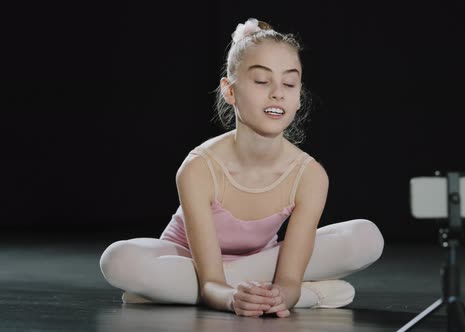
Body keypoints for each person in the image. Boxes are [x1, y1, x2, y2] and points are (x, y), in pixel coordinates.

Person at [99, 18, 384, 318]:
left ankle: (171, 294)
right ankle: (312, 296)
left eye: (289, 83)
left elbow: (287, 280)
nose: (277, 92)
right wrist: (230, 296)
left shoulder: (309, 175)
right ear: (229, 91)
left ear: (299, 96)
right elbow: (210, 281)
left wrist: (285, 294)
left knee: (367, 237)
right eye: (262, 81)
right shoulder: (199, 167)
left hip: (258, 261)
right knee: (117, 260)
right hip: (185, 261)